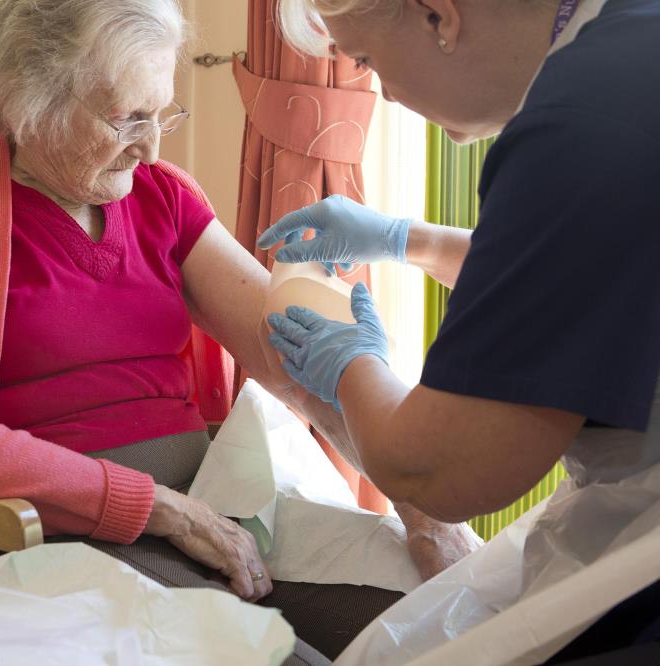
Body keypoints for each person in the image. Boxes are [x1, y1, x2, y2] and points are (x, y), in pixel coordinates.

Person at [0, 0, 475, 661]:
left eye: (163, 113)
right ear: (25, 100)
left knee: (447, 627)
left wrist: (422, 512)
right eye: (128, 119)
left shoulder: (163, 194)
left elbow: (295, 361)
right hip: (49, 538)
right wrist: (156, 509)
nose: (152, 146)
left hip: (214, 508)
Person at [264, 0, 660, 659]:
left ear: (437, 15)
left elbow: (444, 471)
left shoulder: (578, 123)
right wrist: (403, 240)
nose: (384, 92)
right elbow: (576, 275)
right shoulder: (630, 41)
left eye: (365, 59)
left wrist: (351, 363)